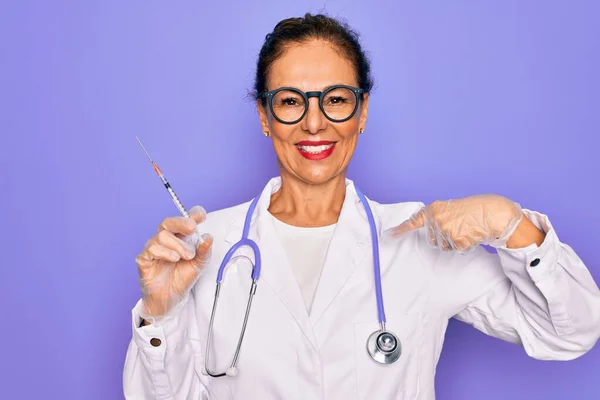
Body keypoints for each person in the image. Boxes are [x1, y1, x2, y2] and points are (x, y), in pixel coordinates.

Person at [123, 13, 600, 400]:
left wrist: (508, 222)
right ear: (265, 116)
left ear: (363, 111)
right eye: (290, 101)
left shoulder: (421, 241)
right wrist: (160, 312)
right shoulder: (205, 249)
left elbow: (570, 333)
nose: (314, 123)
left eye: (335, 99)